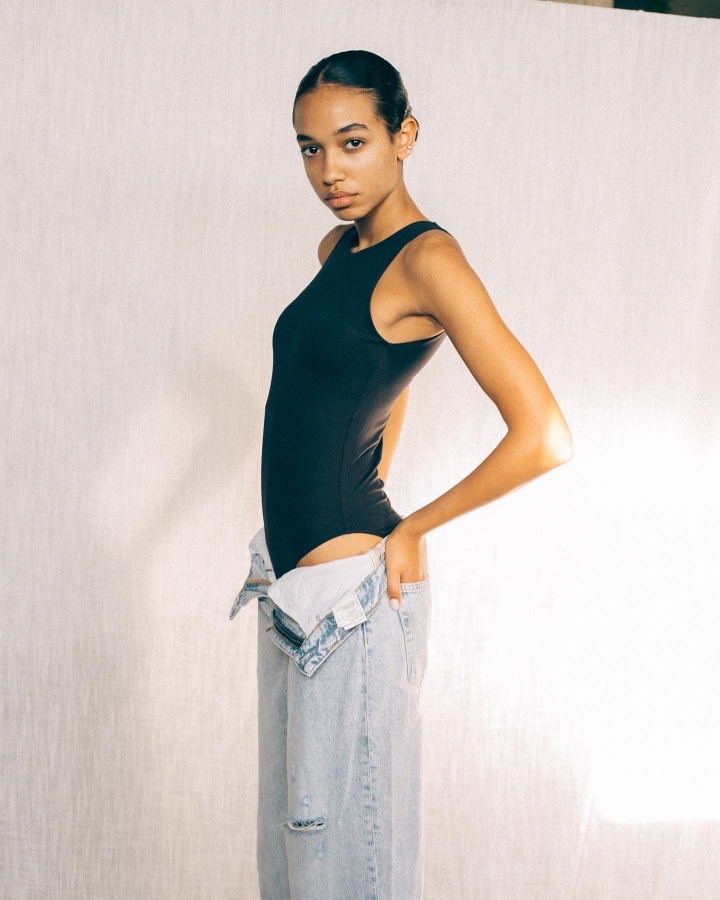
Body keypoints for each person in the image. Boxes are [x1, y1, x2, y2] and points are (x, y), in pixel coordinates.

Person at [229, 49, 572, 900]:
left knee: (352, 868)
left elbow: (543, 434)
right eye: (310, 148)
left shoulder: (430, 259)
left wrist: (414, 526)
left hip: (353, 606)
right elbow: (386, 377)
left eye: (352, 143)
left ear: (403, 136)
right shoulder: (338, 250)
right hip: (295, 598)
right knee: (296, 868)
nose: (329, 171)